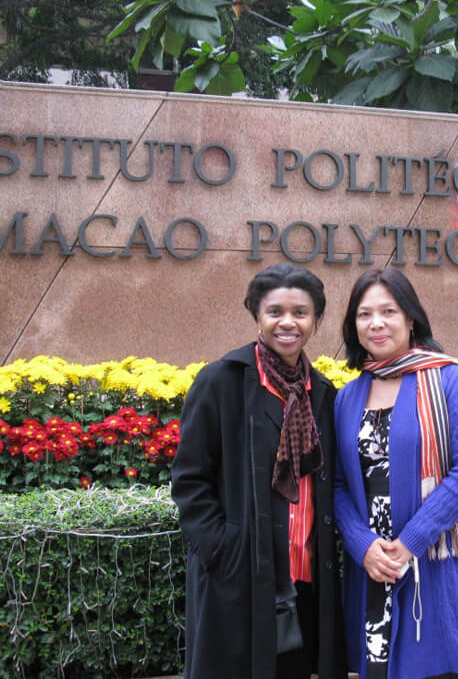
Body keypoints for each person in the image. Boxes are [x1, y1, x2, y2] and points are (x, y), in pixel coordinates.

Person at [171, 262, 346, 679]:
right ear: (257, 316)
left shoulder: (320, 393)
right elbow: (190, 477)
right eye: (275, 312)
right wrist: (221, 547)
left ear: (316, 320)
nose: (288, 323)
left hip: (302, 577)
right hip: (240, 579)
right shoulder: (222, 382)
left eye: (301, 312)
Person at [334, 267, 458, 679]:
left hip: (434, 561)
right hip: (373, 569)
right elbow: (336, 484)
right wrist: (363, 545)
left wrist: (408, 544)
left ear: (411, 318)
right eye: (364, 314)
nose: (377, 323)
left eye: (389, 310)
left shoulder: (451, 380)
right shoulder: (348, 397)